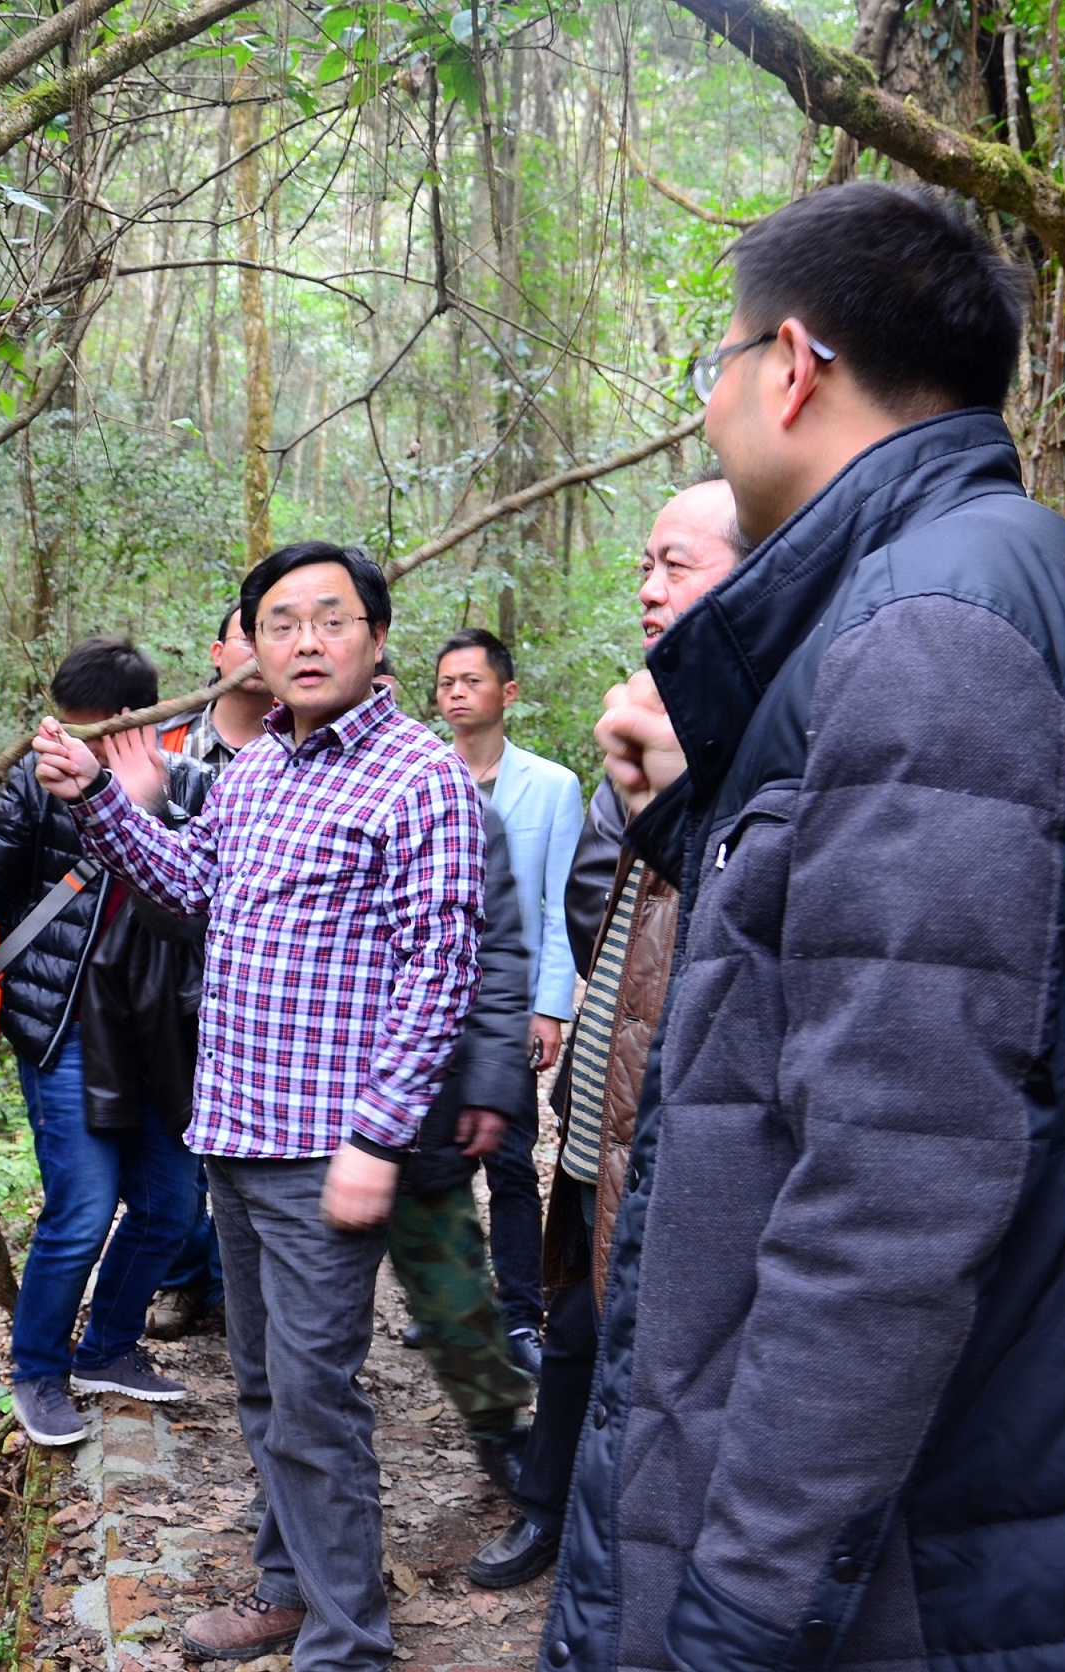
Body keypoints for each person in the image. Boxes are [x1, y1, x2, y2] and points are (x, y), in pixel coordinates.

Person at [541, 182, 1065, 1672]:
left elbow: (896, 1177)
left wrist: (748, 1602)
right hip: (950, 1509)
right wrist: (681, 824)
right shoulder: (995, 582)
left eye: (713, 365)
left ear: (792, 363)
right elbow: (865, 979)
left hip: (923, 1560)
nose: (708, 407)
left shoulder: (928, 630)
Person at [28, 543, 482, 1672]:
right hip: (234, 1132)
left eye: (331, 620)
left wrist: (379, 1134)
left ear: (377, 637)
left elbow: (440, 971)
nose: (306, 641)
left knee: (318, 1400)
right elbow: (187, 888)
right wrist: (97, 802)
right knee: (267, 1381)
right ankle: (289, 1591)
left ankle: (347, 1643)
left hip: (328, 1150)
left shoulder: (417, 775)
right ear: (254, 648)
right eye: (280, 623)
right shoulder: (257, 769)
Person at [467, 477, 749, 1592]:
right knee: (578, 1313)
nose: (647, 588)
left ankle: (637, 1539)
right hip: (608, 1087)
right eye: (644, 564)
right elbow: (594, 904)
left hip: (710, 1101)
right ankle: (545, 1505)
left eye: (676, 565)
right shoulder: (637, 716)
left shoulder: (788, 716)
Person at [0, 635, 216, 1448]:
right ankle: (39, 1372)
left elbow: (198, 901)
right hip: (67, 1021)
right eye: (60, 726)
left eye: (84, 731)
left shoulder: (197, 786)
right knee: (82, 1209)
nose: (63, 744)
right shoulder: (33, 780)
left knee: (168, 1205)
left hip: (164, 1035)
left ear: (134, 721)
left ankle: (109, 1348)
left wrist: (142, 802)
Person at [432, 626, 583, 1365]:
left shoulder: (551, 786)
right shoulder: (419, 776)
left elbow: (560, 902)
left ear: (507, 693)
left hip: (506, 1004)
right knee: (436, 1160)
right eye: (446, 683)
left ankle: (520, 1314)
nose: (457, 693)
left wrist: (549, 1007)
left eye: (472, 681)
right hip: (426, 1001)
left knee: (513, 1161)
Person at [385, 796, 540, 1493]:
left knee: (451, 1282)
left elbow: (500, 948)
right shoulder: (262, 785)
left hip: (426, 1090)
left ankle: (499, 1430)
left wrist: (490, 1079)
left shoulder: (451, 803)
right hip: (298, 1101)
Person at [144, 605, 269, 1340]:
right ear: (219, 652)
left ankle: (237, 1289)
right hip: (165, 982)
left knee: (247, 1145)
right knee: (173, 1141)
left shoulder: (301, 750)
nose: (259, 650)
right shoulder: (167, 746)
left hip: (254, 993)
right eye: (247, 635)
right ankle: (184, 1277)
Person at [162, 603, 270, 773]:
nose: (259, 653)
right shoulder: (163, 730)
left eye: (272, 640)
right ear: (218, 654)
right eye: (247, 640)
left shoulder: (304, 739)